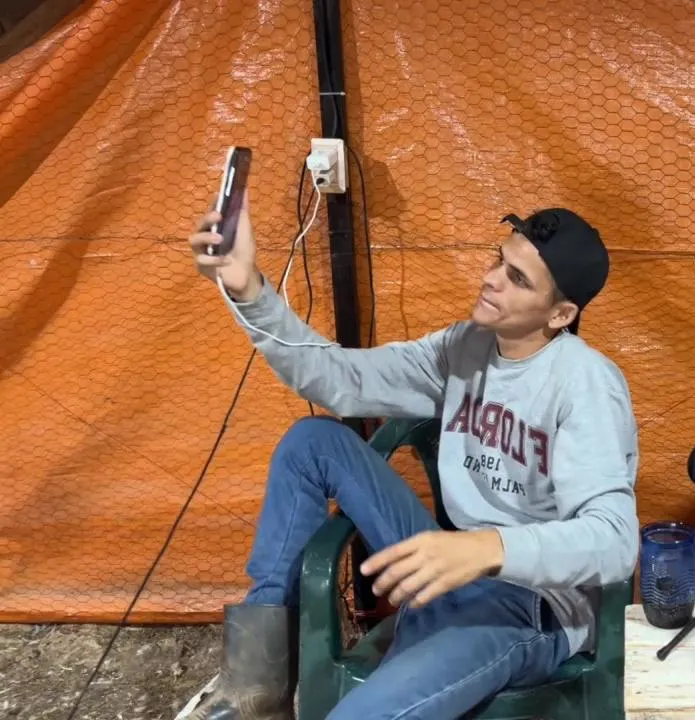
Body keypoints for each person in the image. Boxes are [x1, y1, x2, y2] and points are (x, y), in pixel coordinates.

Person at [178, 190, 640, 720]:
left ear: (561, 313)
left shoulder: (585, 384)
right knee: (314, 444)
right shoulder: (464, 347)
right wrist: (249, 290)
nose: (491, 279)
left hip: (528, 606)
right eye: (499, 260)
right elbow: (340, 378)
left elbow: (614, 541)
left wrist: (485, 549)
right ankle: (256, 692)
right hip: (445, 567)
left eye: (517, 279)